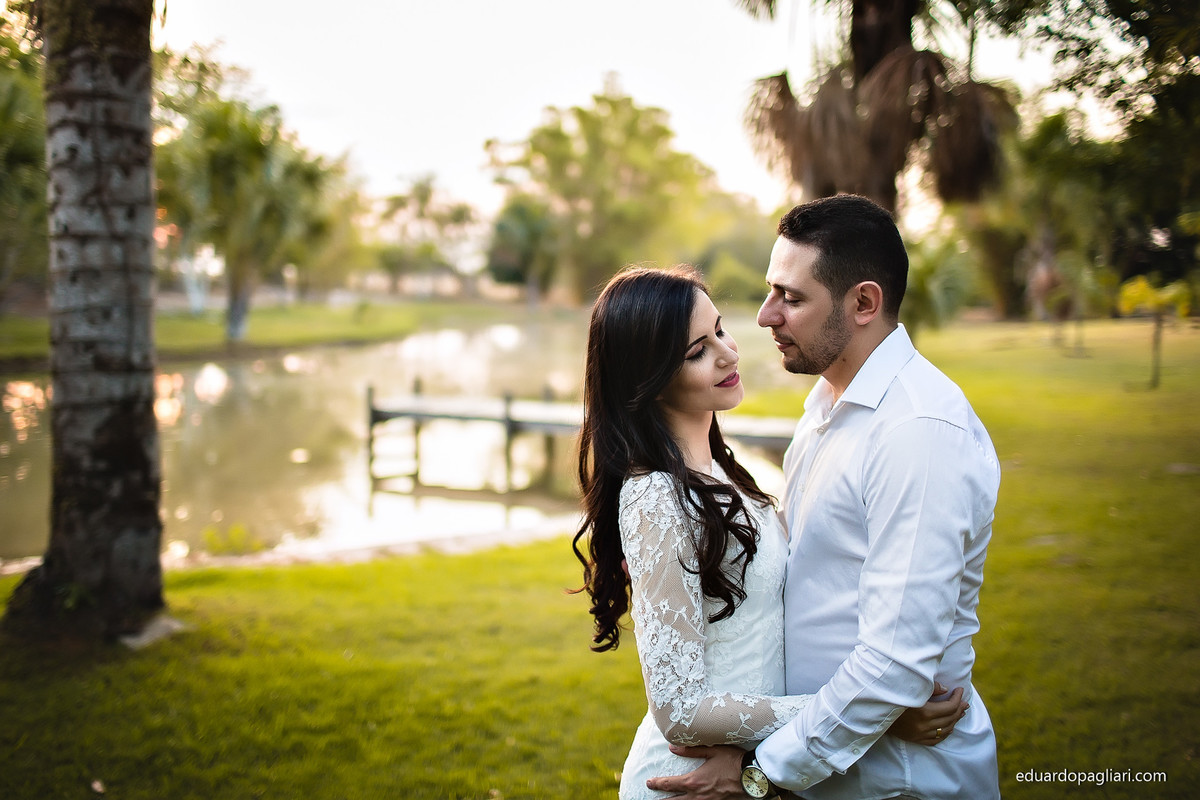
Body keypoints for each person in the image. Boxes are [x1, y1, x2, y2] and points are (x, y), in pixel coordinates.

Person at [647, 195, 1002, 800]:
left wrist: (764, 774)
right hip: (831, 765)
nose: (764, 316)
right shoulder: (826, 409)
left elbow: (895, 663)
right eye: (769, 291)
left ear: (864, 302)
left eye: (791, 297)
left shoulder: (916, 431)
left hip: (896, 782)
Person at [573, 264, 966, 800]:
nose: (728, 352)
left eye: (718, 329)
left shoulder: (721, 475)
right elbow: (680, 712)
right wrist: (874, 714)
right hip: (689, 782)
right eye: (696, 352)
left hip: (744, 769)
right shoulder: (655, 496)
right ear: (647, 376)